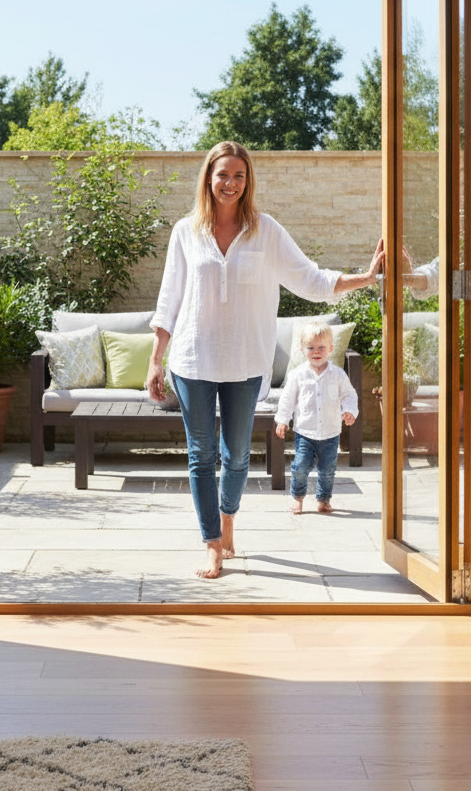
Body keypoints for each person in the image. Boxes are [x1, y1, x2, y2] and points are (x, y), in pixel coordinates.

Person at [146, 141, 383, 579]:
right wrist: (156, 359)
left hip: (245, 362)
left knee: (236, 456)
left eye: (239, 175)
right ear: (208, 178)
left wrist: (365, 278)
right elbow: (170, 300)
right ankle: (212, 544)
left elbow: (310, 278)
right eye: (222, 175)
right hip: (192, 362)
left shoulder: (266, 231)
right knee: (201, 457)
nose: (230, 183)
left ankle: (228, 520)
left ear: (248, 180)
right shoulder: (186, 231)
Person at [274, 321, 358, 514]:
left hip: (330, 433)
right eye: (311, 348)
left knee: (327, 471)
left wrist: (350, 411)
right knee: (300, 467)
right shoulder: (298, 375)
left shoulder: (337, 374)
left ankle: (323, 499)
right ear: (303, 350)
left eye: (321, 347)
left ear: (330, 348)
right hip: (305, 432)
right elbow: (287, 399)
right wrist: (282, 420)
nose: (316, 352)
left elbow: (349, 395)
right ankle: (297, 497)